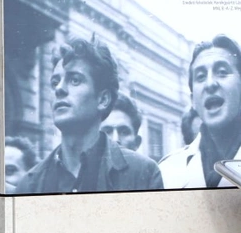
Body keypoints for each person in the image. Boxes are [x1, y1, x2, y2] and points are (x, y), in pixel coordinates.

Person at [14, 38, 162, 193]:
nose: (59, 89)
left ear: (103, 99)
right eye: (55, 82)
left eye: (75, 80)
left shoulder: (143, 173)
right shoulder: (29, 184)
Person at [158, 34, 241, 188]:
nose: (210, 84)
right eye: (200, 76)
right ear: (193, 99)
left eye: (222, 72)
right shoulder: (167, 171)